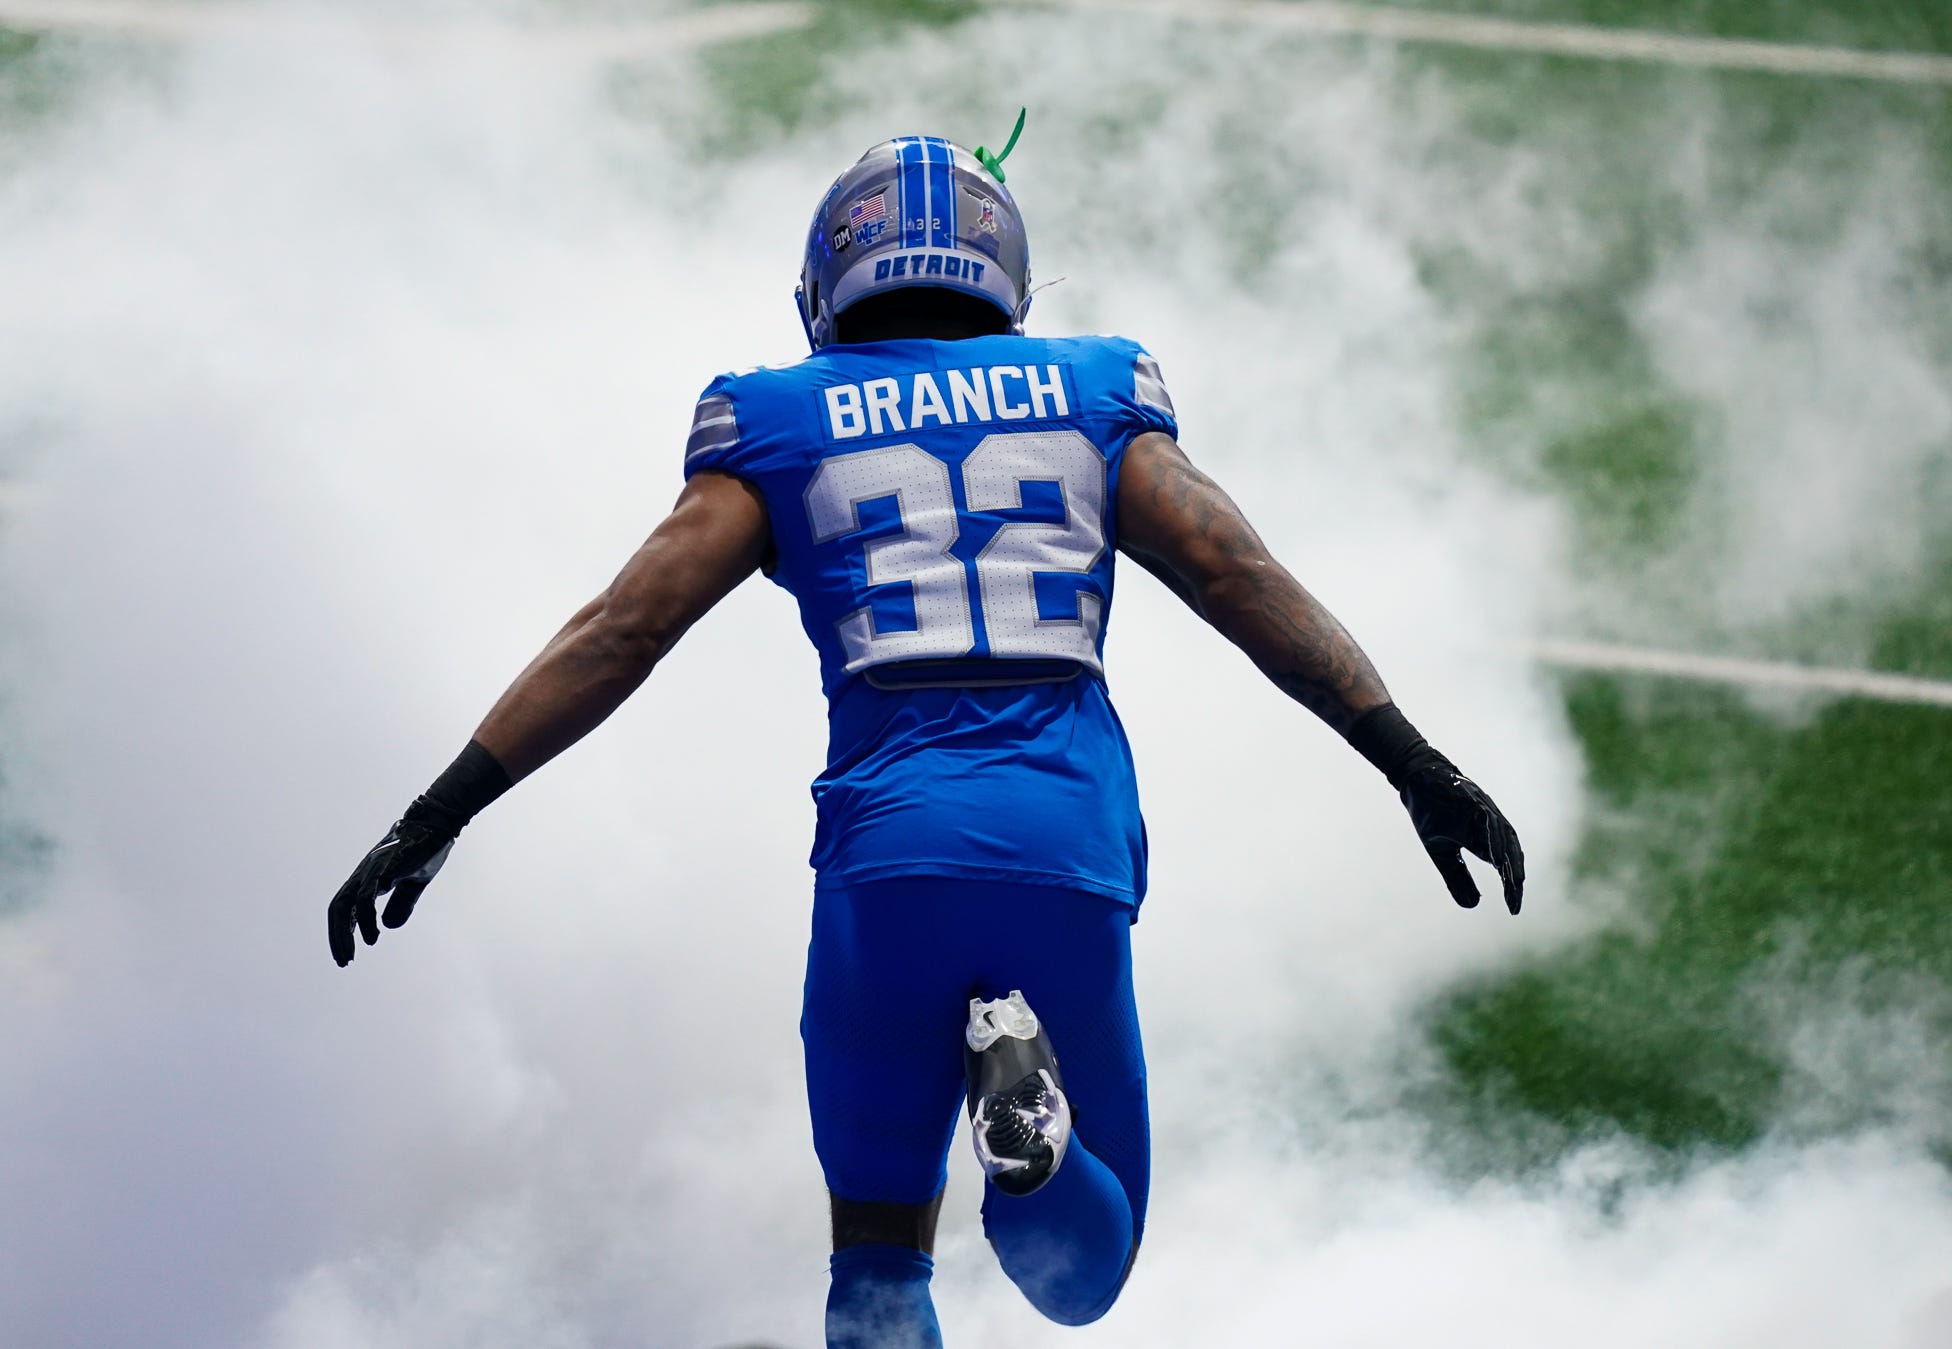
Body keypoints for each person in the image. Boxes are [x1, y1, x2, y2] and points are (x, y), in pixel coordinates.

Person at [327, 126, 1525, 1349]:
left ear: (827, 277)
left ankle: (981, 1178)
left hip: (885, 854)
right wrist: (1410, 763)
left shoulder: (772, 420)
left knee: (874, 1272)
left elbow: (624, 630)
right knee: (1080, 1279)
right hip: (1061, 844)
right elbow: (1232, 571)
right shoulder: (1098, 393)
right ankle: (1036, 1151)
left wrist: (440, 813)